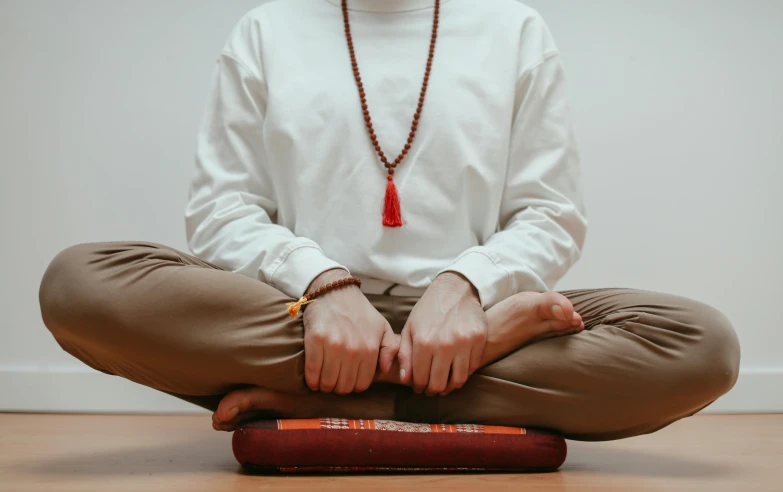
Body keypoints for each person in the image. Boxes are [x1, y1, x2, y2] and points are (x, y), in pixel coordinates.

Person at [38, 0, 739, 441]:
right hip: (294, 317)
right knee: (80, 285)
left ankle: (348, 397)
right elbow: (223, 212)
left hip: (468, 320)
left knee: (701, 345)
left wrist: (464, 285)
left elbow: (550, 214)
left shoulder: (513, 26)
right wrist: (324, 287)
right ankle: (422, 392)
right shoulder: (266, 27)